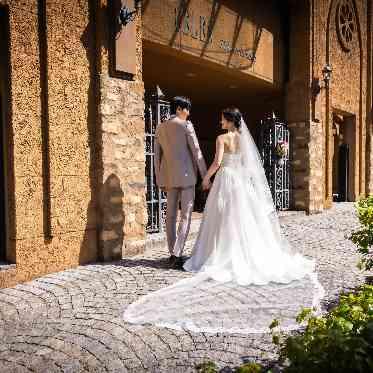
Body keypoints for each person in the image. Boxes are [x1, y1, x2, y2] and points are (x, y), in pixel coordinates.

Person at [124, 107, 324, 334]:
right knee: (242, 219)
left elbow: (218, 162)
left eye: (222, 118)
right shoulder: (243, 139)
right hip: (241, 184)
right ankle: (242, 252)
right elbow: (249, 167)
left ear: (229, 121)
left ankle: (220, 254)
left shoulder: (222, 138)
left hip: (226, 181)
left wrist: (207, 178)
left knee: (221, 219)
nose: (219, 121)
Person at [154, 96, 207, 269]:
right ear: (178, 108)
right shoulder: (186, 126)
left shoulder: (160, 127)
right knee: (185, 216)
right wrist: (205, 176)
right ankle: (177, 253)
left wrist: (159, 179)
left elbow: (157, 157)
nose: (189, 113)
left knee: (170, 216)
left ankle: (172, 253)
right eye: (187, 109)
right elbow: (197, 151)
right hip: (187, 178)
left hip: (169, 178)